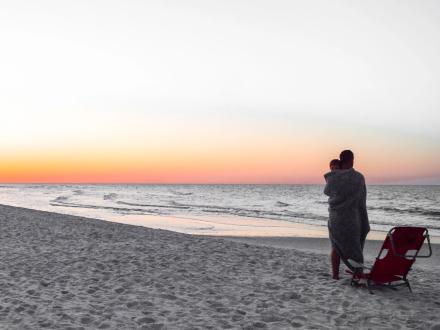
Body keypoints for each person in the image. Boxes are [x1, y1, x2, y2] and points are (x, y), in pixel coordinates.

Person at [324, 150, 370, 279]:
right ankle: (358, 274)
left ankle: (335, 275)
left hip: (336, 218)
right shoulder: (359, 177)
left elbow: (327, 191)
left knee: (336, 246)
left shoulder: (334, 177)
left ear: (341, 160)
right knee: (355, 248)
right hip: (352, 218)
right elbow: (362, 199)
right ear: (352, 160)